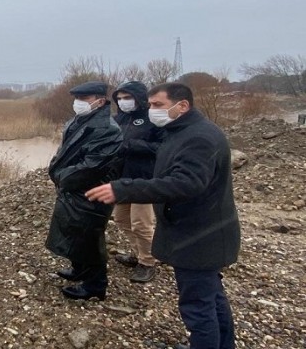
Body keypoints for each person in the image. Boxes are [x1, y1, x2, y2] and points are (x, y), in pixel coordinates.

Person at [86, 82, 240, 348]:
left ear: (182, 106)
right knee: (211, 296)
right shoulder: (181, 131)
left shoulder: (198, 138)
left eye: (158, 105)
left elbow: (186, 183)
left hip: (200, 236)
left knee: (197, 306)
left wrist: (123, 188)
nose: (152, 110)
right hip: (199, 231)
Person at [46, 81, 123, 301]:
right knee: (72, 231)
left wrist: (63, 177)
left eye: (84, 99)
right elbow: (63, 152)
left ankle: (95, 286)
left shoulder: (107, 129)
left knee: (89, 238)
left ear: (100, 101)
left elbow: (93, 165)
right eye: (77, 99)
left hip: (92, 191)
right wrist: (57, 170)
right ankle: (79, 269)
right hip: (73, 189)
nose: (78, 103)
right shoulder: (78, 120)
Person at [111, 81, 163, 283]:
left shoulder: (153, 118)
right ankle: (138, 253)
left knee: (141, 223)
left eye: (127, 98)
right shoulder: (119, 118)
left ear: (139, 98)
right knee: (122, 219)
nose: (123, 102)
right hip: (122, 177)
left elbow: (162, 147)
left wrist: (133, 145)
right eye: (120, 98)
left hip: (144, 178)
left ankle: (148, 262)